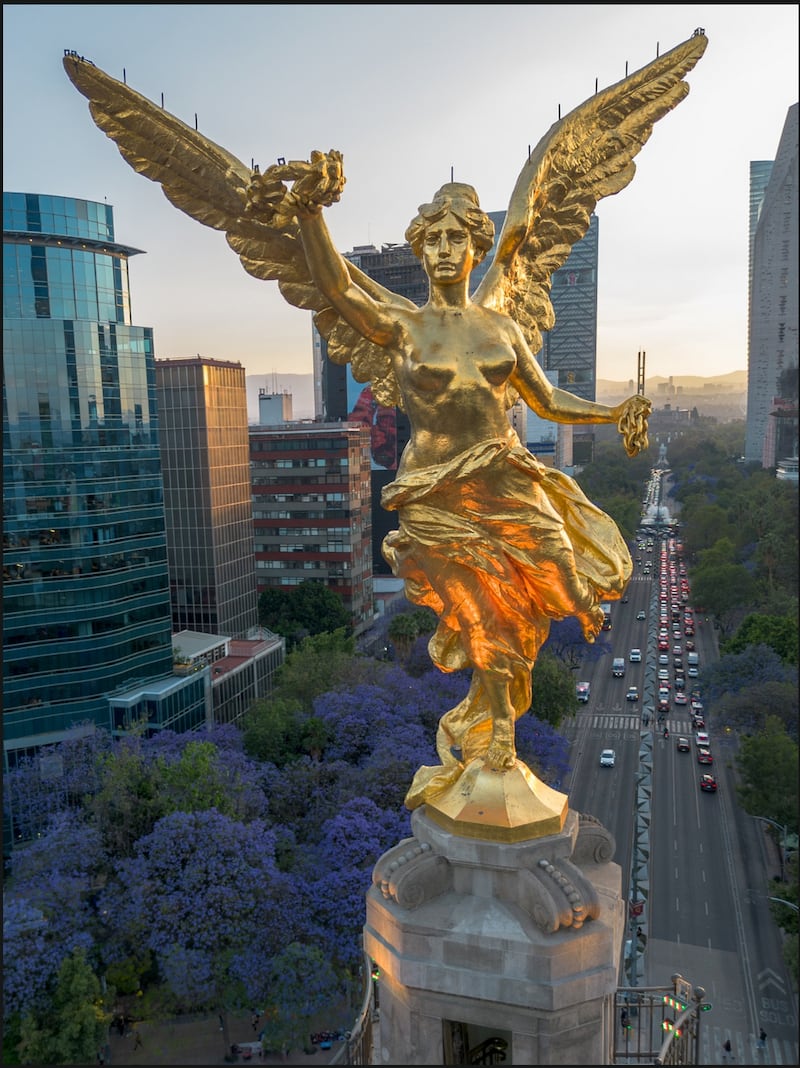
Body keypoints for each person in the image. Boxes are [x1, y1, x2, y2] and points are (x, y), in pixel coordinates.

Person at [269, 160, 650, 802]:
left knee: (556, 565)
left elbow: (549, 398)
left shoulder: (501, 327)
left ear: (476, 246)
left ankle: (540, 653)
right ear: (421, 252)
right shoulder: (403, 326)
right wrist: (309, 213)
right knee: (482, 613)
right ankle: (498, 728)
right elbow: (338, 288)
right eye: (433, 240)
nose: (445, 251)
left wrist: (614, 411)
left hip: (504, 476)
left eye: (457, 239)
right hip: (434, 494)